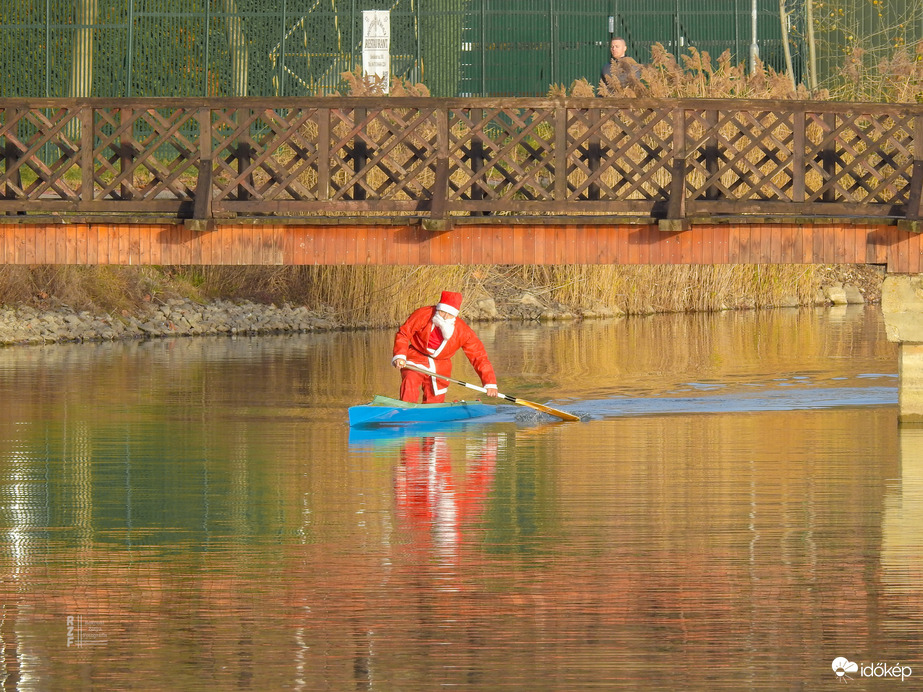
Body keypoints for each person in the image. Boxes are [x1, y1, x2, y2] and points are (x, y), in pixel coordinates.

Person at [392, 291, 498, 404]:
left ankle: (433, 415)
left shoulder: (463, 331)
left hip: (441, 367)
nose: (445, 317)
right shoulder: (423, 314)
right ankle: (405, 410)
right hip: (415, 358)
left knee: (435, 399)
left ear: (455, 315)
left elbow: (479, 357)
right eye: (442, 312)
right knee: (410, 380)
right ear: (438, 309)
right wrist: (400, 356)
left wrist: (489, 383)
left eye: (450, 314)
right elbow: (403, 333)